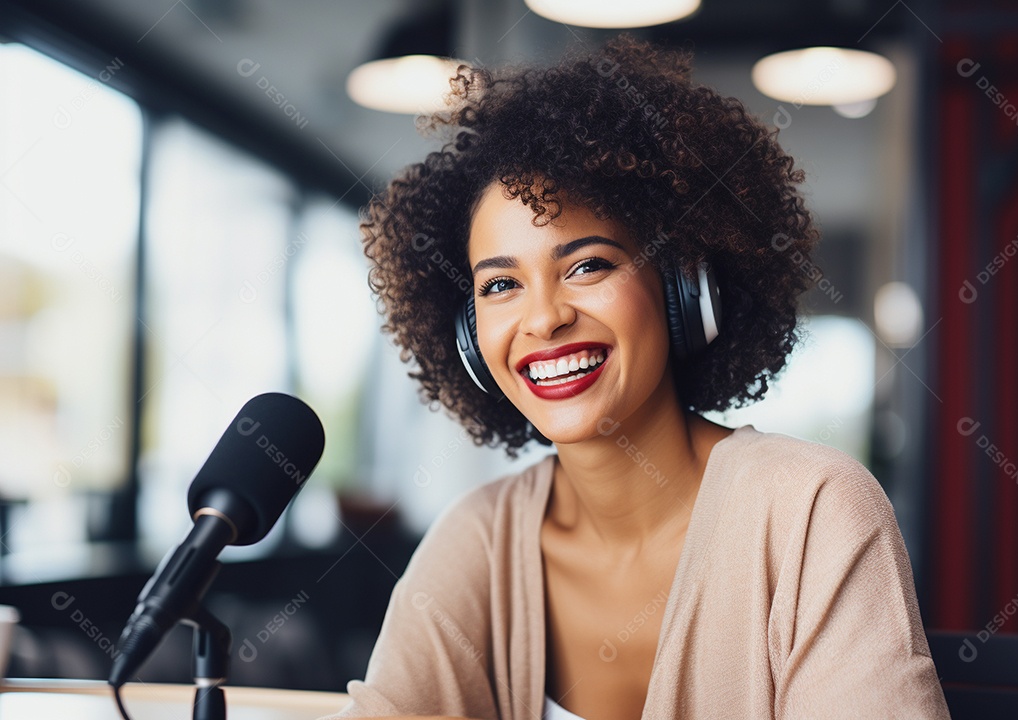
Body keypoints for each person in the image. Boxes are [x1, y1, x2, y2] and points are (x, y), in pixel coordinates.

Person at [323, 35, 950, 720]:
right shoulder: (478, 540)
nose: (543, 319)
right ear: (470, 336)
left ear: (685, 287)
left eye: (588, 265)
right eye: (501, 284)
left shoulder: (810, 511)